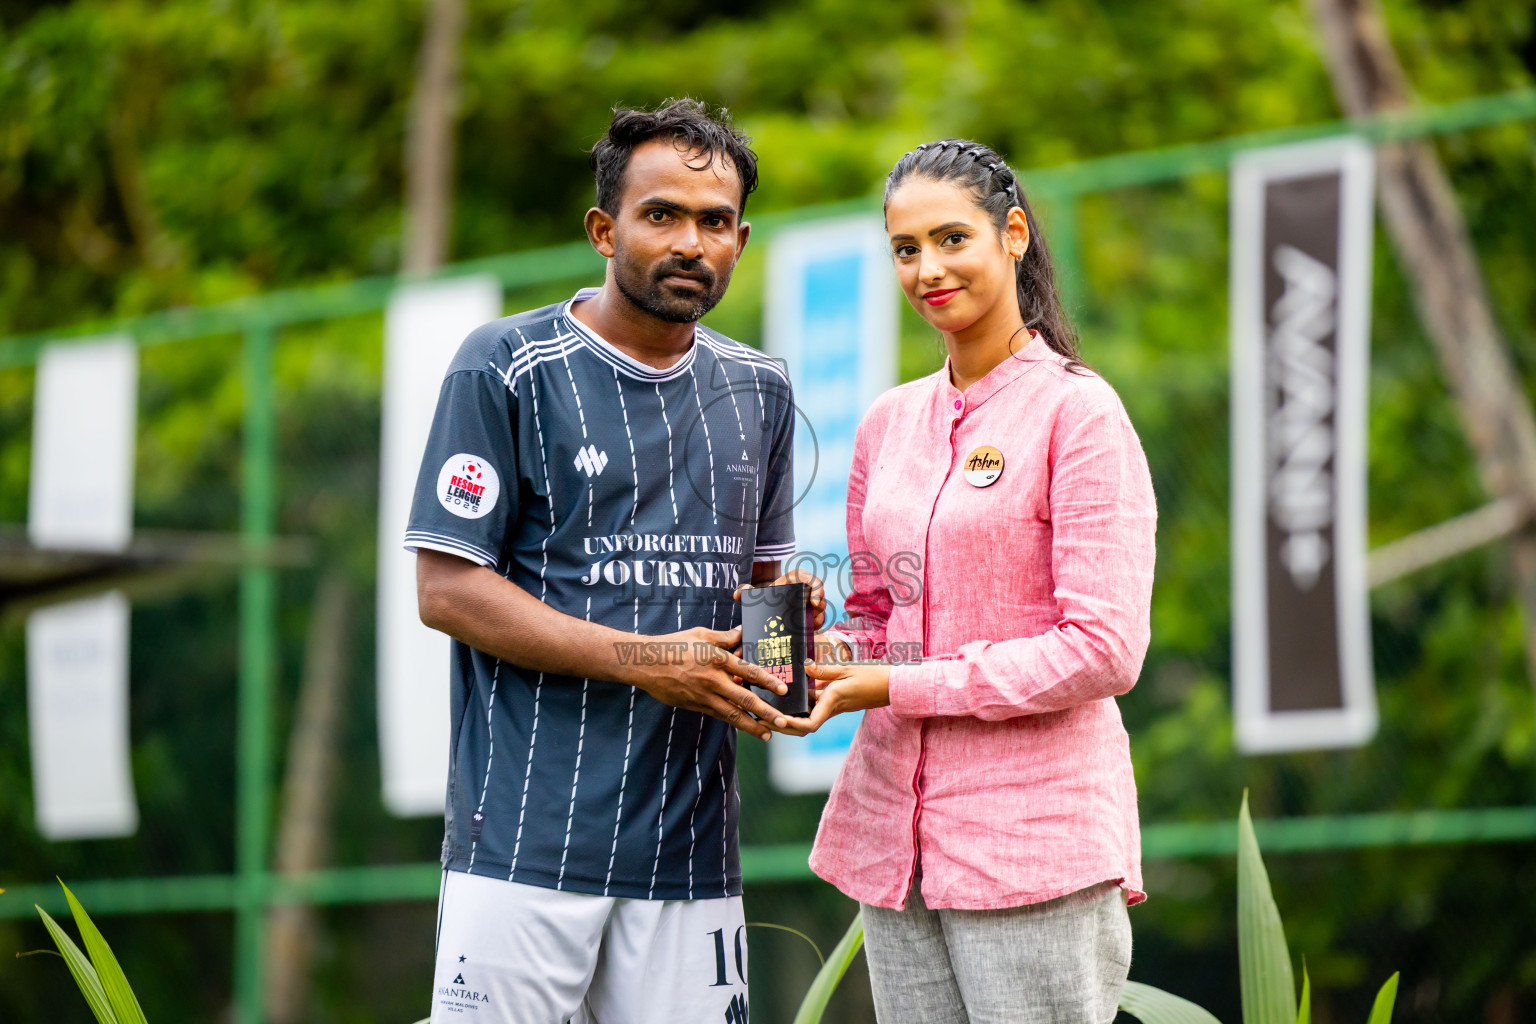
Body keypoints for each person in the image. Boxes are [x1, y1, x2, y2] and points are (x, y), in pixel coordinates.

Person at [407, 98, 815, 1024]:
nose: (690, 243)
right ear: (604, 228)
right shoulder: (506, 366)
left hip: (692, 854)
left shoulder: (762, 388)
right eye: (661, 214)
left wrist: (786, 634)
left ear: (741, 240)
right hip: (523, 847)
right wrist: (648, 659)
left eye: (715, 222)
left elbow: (762, 592)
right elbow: (446, 590)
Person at [798, 139, 1158, 1024]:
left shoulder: (1079, 413)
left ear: (1015, 236)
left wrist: (899, 683)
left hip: (1032, 847)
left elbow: (1104, 650)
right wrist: (826, 647)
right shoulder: (888, 423)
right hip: (894, 845)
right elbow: (880, 619)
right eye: (906, 248)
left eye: (952, 239)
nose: (928, 269)